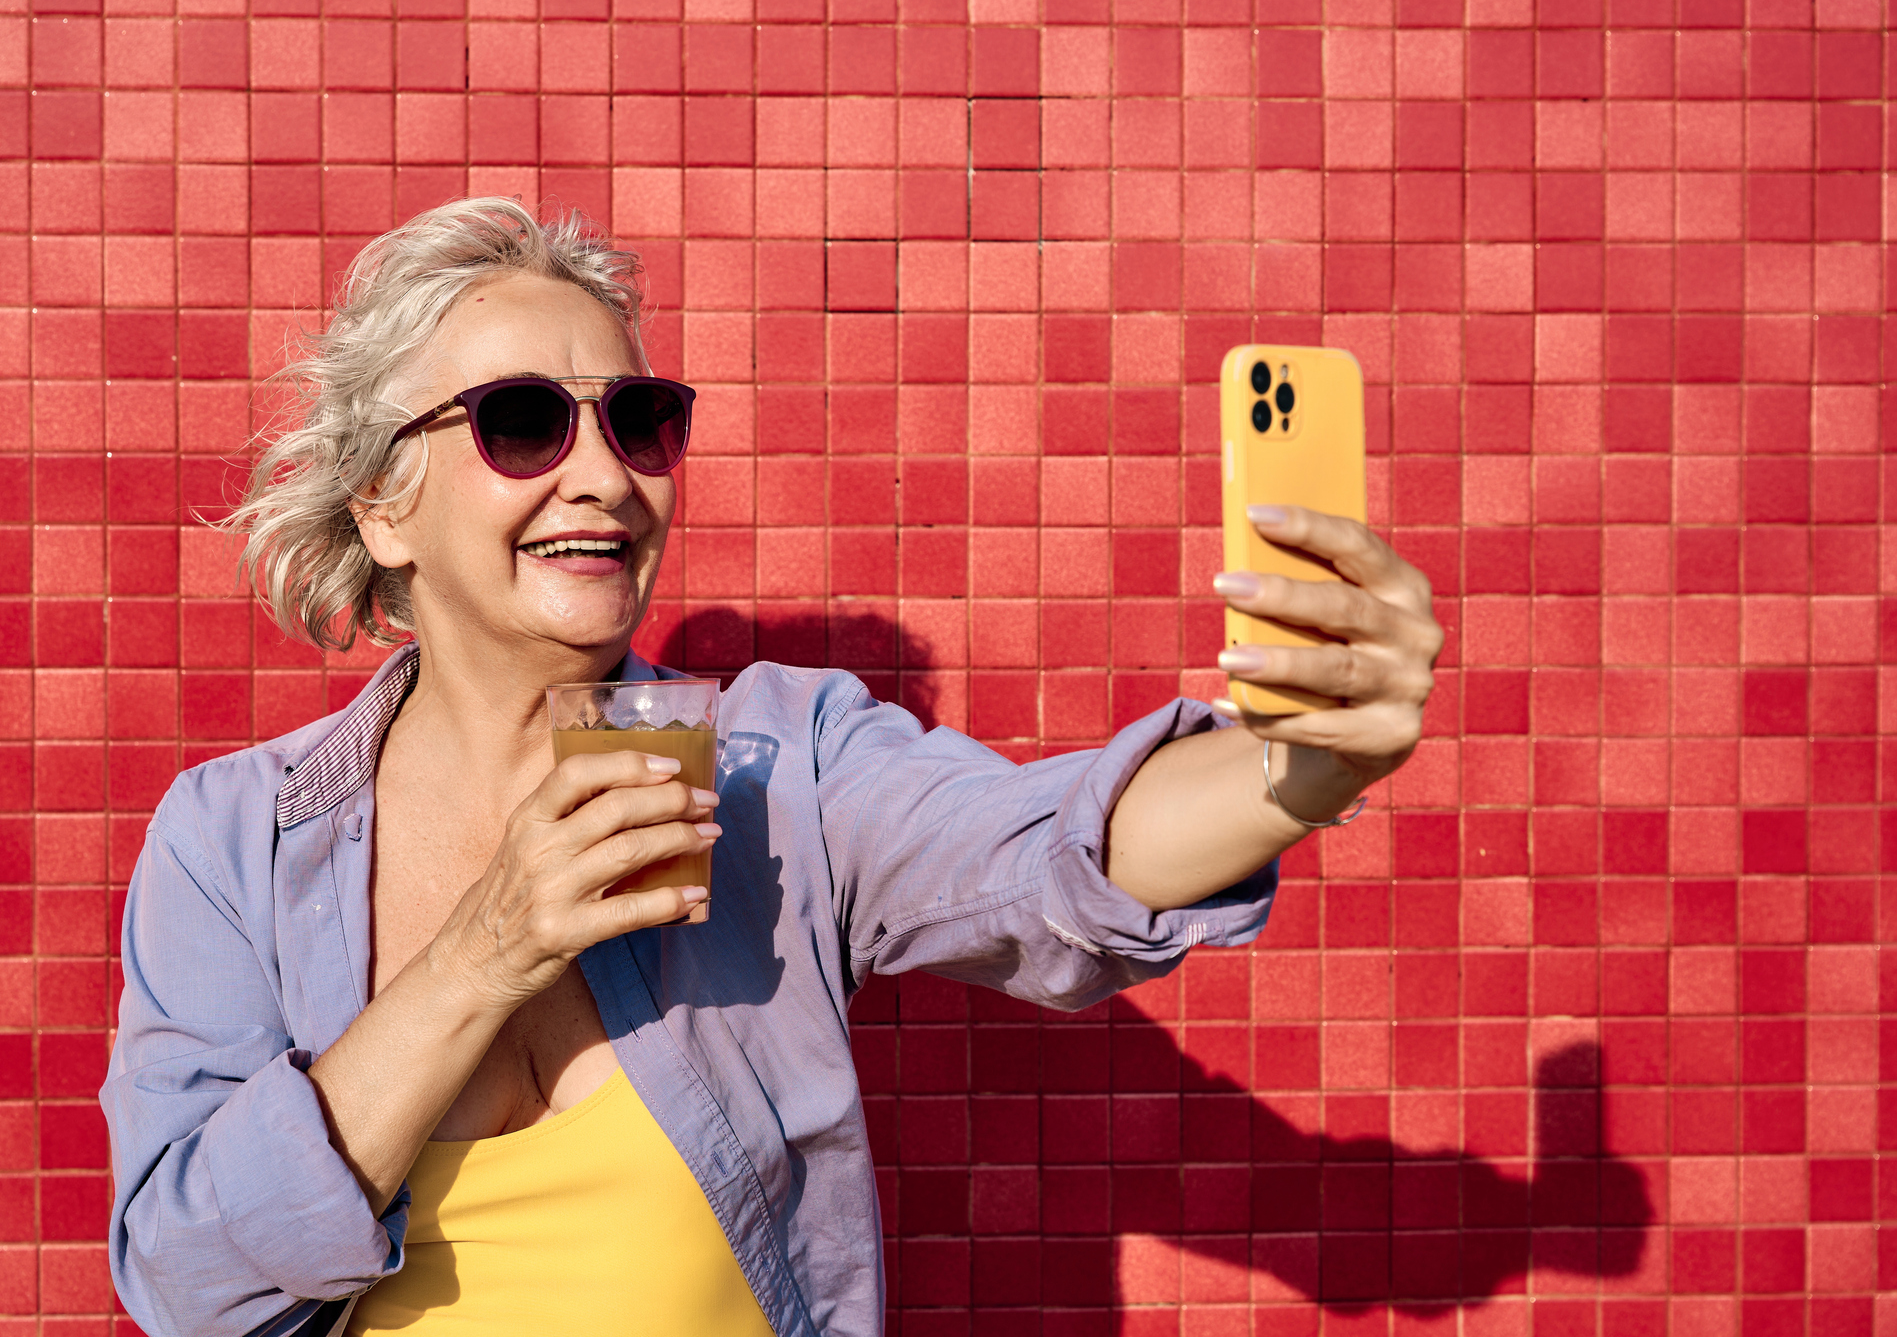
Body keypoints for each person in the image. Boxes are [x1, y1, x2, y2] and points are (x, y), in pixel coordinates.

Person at [100, 196, 1442, 1337]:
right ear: (384, 503)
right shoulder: (237, 840)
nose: (602, 476)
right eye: (520, 423)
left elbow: (1050, 852)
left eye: (636, 419)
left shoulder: (769, 769)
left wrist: (1298, 761)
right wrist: (486, 948)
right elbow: (183, 1276)